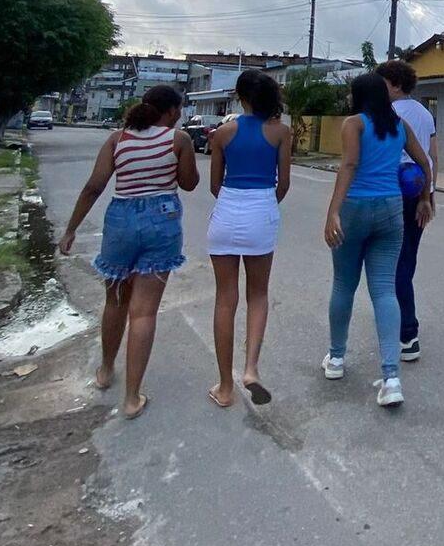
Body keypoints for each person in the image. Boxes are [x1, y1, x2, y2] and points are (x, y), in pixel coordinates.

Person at [58, 85, 199, 420]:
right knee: (144, 312)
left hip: (120, 220)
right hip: (161, 220)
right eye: (178, 109)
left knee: (115, 300)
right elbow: (189, 183)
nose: (179, 114)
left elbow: (95, 186)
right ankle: (132, 398)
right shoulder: (178, 140)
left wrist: (71, 229)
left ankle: (106, 370)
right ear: (171, 111)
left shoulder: (117, 139)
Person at [322, 73, 433, 407]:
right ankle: (391, 378)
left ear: (358, 96)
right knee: (384, 290)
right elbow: (423, 161)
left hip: (356, 206)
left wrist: (333, 212)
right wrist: (425, 197)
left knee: (344, 284)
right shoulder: (398, 125)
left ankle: (337, 359)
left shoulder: (353, 124)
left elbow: (350, 164)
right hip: (391, 208)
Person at [206, 70, 292, 408]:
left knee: (225, 299)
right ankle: (251, 369)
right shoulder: (281, 132)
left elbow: (214, 185)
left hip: (226, 210)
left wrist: (233, 201)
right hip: (261, 210)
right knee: (257, 294)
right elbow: (283, 183)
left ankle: (225, 387)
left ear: (241, 98)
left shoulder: (223, 133)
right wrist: (265, 205)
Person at [377, 59, 437, 362]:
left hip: (393, 192)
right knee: (407, 258)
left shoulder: (388, 115)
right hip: (419, 191)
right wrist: (431, 195)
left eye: (383, 83)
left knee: (392, 264)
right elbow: (431, 156)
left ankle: (407, 332)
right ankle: (401, 320)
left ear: (396, 84)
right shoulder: (426, 114)